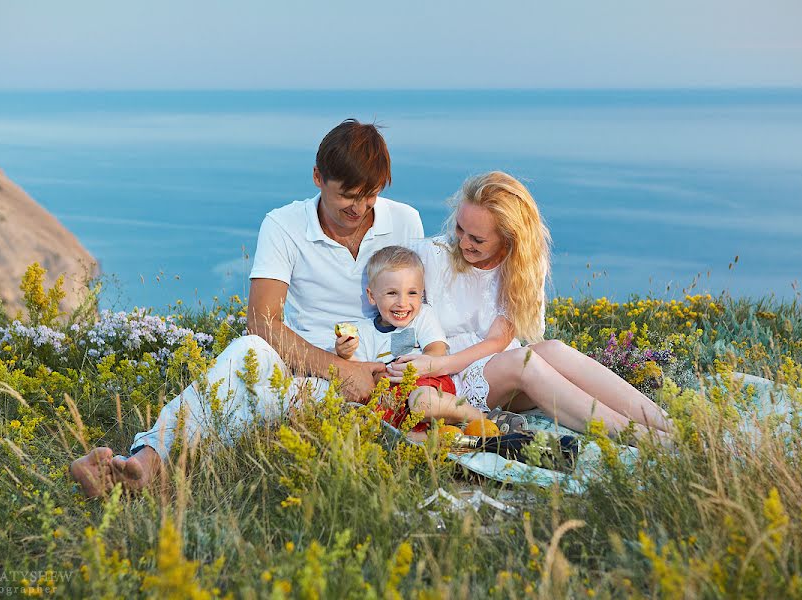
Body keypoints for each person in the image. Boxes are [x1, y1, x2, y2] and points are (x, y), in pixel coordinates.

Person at [70, 119, 424, 497]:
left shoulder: (404, 220)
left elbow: (420, 309)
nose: (360, 207)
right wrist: (340, 371)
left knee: (252, 398)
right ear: (318, 177)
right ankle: (144, 462)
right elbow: (261, 321)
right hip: (299, 363)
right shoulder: (284, 224)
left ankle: (147, 475)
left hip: (377, 373)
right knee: (247, 351)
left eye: (370, 195)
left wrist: (396, 372)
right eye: (348, 196)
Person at [386, 171, 672, 441]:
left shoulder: (521, 267)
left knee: (555, 350)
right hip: (445, 379)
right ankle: (641, 437)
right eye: (460, 229)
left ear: (508, 239)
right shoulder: (429, 256)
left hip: (489, 366)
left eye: (477, 239)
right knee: (525, 363)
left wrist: (443, 362)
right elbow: (394, 315)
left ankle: (667, 424)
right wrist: (436, 364)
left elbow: (499, 340)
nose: (462, 242)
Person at [336, 245, 524, 429]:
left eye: (412, 293)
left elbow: (437, 350)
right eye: (392, 293)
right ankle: (444, 434)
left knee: (421, 402)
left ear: (422, 294)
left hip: (426, 383)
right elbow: (357, 370)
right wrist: (345, 354)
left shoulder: (422, 316)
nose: (402, 303)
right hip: (391, 396)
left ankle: (485, 419)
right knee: (372, 421)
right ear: (372, 296)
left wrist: (417, 366)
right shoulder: (363, 332)